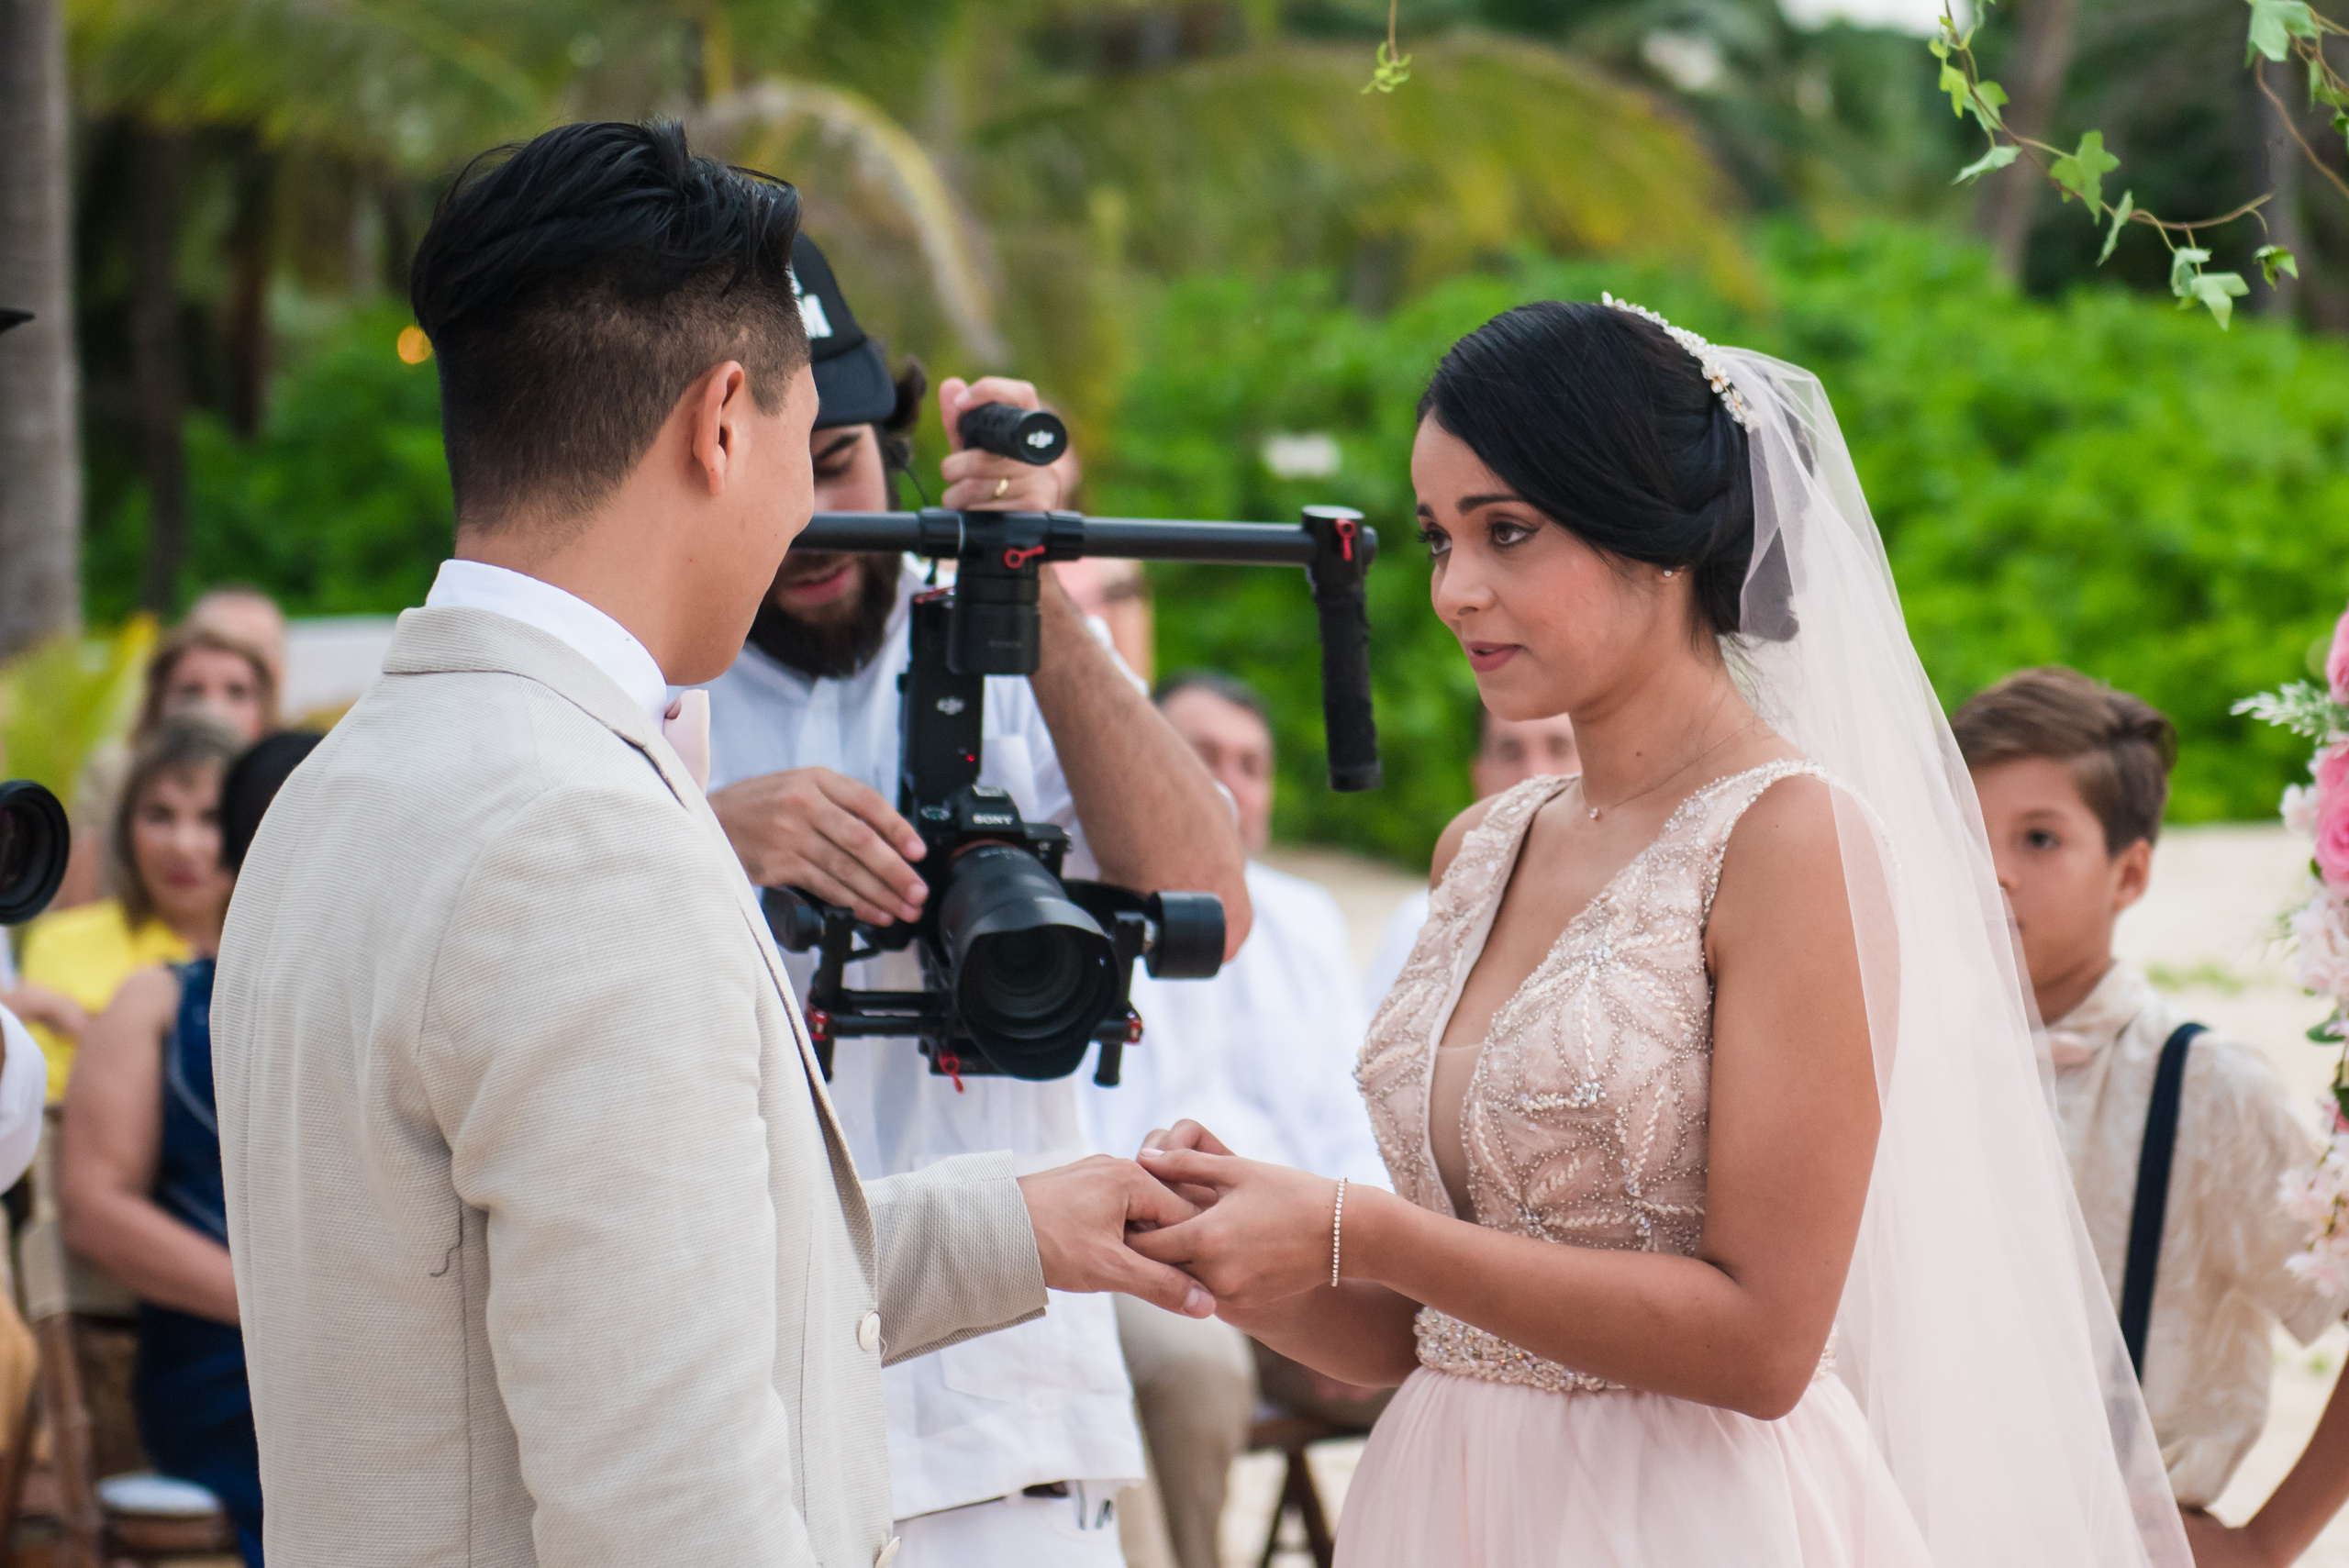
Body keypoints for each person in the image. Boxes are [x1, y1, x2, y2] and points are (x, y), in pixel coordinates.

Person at [211, 120, 1210, 1568]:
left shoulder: (335, 788)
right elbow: (668, 1507)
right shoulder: (579, 845)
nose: (814, 509)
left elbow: (638, 1270)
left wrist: (1013, 1224)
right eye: (806, 446)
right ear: (723, 422)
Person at [1122, 298, 2191, 1566]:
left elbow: (1765, 1343)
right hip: (1438, 1506)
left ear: (1657, 535)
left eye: (1508, 533)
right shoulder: (1480, 847)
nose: (1459, 590)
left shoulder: (1795, 841)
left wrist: (1362, 1225)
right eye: (1438, 539)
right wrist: (1245, 1245)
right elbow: (1431, 1328)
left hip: (1681, 1517)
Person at [694, 230, 1250, 1567]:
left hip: (1009, 1433)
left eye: (840, 465)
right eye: (780, 476)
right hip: (734, 1431)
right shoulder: (662, 683)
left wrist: (1027, 574)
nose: (813, 524)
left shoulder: (1012, 638)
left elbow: (1208, 903)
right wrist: (704, 842)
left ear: (891, 439)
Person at [1954, 667, 2349, 1563]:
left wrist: (2265, 1540)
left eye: (2040, 837)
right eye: (1965, 837)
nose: (1996, 873)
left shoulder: (2205, 1088)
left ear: (2129, 870)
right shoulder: (1894, 1061)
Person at [1083, 668, 1385, 1568]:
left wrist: (1346, 1274)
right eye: (1200, 755)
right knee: (1188, 1367)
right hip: (1158, 1272)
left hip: (1305, 1256)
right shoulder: (1091, 917)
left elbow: (1353, 1124)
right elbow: (1095, 1145)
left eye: (1250, 764)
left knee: (1469, 1353)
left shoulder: (1306, 918)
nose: (1227, 784)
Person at [60, 729, 317, 1567]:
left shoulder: (392, 1006)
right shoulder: (159, 1003)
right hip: (230, 1366)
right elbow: (96, 1209)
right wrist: (278, 1305)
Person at [19, 717, 244, 1101]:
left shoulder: (278, 963)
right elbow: (37, 1101)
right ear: (125, 829)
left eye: (210, 818)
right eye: (159, 816)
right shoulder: (61, 943)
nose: (183, 845)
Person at [1361, 706, 1577, 1010]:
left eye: (1559, 748)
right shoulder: (1419, 926)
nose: (1536, 773)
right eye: (1511, 753)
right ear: (1480, 774)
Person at [53, 622, 277, 913]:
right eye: (191, 692)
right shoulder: (114, 773)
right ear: (158, 702)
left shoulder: (290, 783)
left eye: (236, 692)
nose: (213, 707)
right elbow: (75, 912)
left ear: (264, 709)